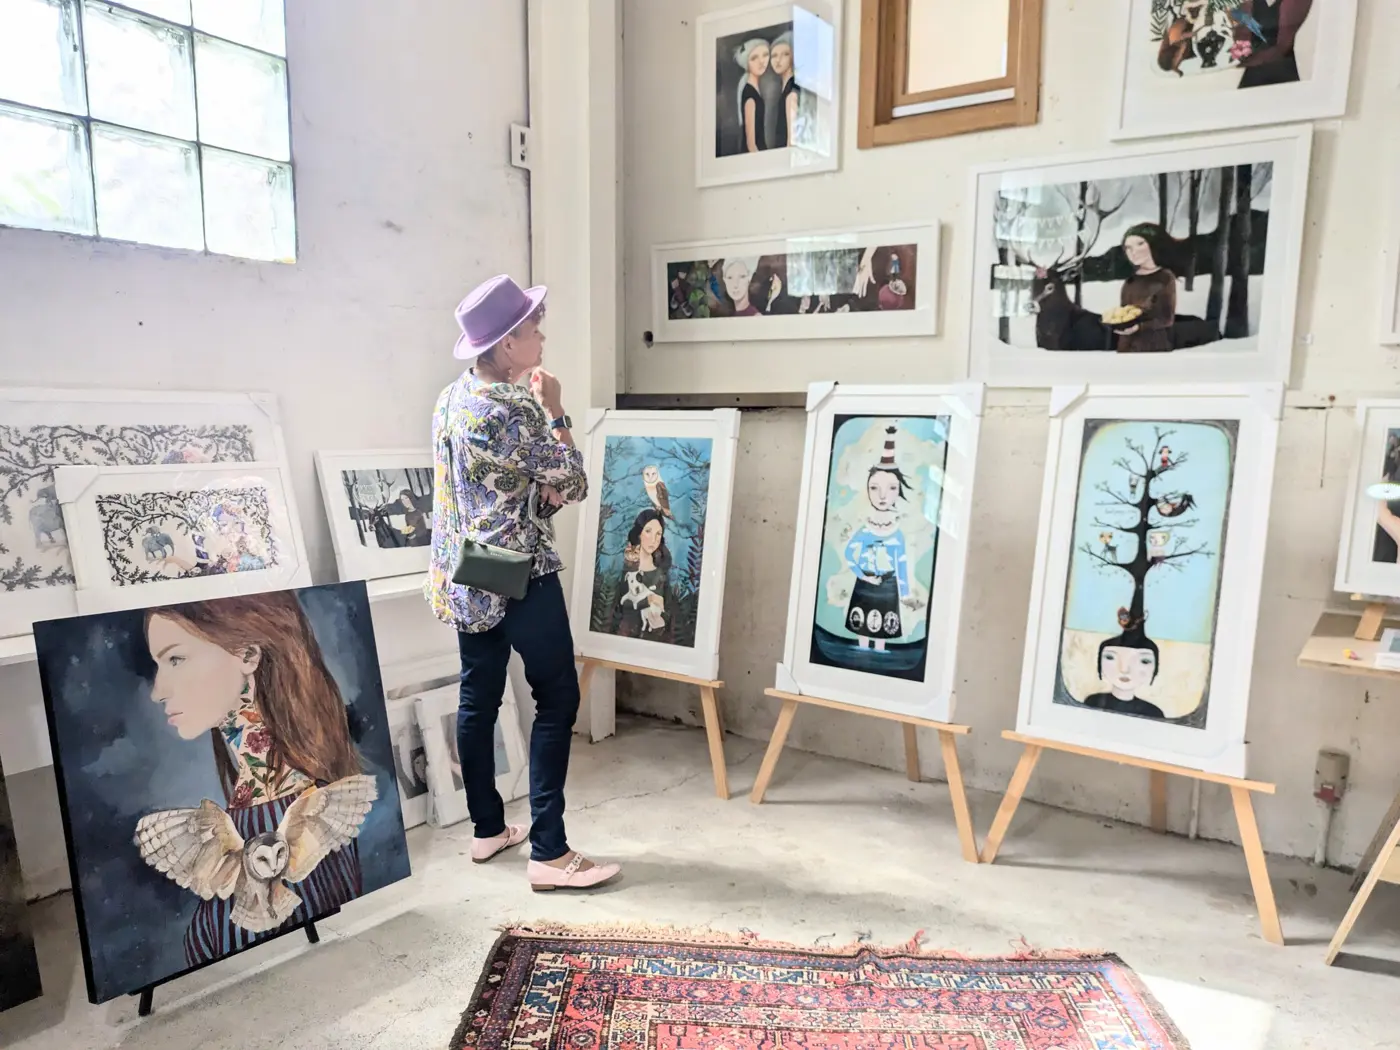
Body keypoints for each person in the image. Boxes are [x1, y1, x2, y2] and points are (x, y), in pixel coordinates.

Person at [425, 274, 620, 892]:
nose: (541, 334)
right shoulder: (516, 409)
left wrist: (542, 487)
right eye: (534, 326)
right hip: (517, 573)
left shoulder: (452, 398)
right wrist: (557, 410)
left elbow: (487, 486)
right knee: (558, 698)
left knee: (478, 698)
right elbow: (574, 476)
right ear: (507, 344)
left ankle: (488, 829)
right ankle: (550, 853)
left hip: (465, 573)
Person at [142, 592, 367, 962]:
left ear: (248, 656)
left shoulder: (305, 815)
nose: (158, 691)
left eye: (176, 659)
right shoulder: (305, 802)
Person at [843, 427, 912, 652]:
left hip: (888, 585)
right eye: (875, 488)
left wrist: (906, 594)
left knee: (883, 633)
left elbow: (901, 564)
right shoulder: (864, 531)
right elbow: (848, 554)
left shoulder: (897, 532)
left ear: (898, 490)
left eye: (891, 488)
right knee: (861, 630)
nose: (883, 496)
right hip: (865, 583)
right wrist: (863, 576)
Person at [1116, 224, 1177, 354]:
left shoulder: (1164, 277)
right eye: (1128, 247)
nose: (1133, 252)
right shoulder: (1130, 282)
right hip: (1126, 348)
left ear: (1153, 244)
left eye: (1140, 244)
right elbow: (1123, 315)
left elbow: (1167, 318)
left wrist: (1139, 327)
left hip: (1153, 347)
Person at [1080, 631, 1167, 720]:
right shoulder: (1093, 701)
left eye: (1144, 661)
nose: (1124, 670)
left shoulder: (1153, 712)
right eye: (1110, 657)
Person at [616, 508, 672, 639]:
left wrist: (661, 618)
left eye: (658, 534)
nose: (654, 539)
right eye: (648, 531)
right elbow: (622, 605)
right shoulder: (628, 569)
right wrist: (649, 600)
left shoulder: (661, 574)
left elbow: (668, 610)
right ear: (639, 533)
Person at [1234, 0, 1312, 88]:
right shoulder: (1250, 4)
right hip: (1254, 70)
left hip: (1281, 70)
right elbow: (1242, 36)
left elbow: (1283, 46)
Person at [735, 38, 770, 153]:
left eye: (765, 55)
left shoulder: (755, 90)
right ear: (747, 63)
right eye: (754, 58)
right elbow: (751, 144)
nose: (761, 61)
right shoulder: (750, 95)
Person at [769, 31, 800, 149]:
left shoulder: (791, 91)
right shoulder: (784, 90)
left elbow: (792, 140)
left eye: (785, 54)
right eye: (774, 55)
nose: (778, 60)